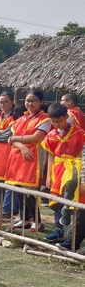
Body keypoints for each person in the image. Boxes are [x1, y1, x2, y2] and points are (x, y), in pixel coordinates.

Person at [5, 89, 51, 231]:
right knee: (18, 188)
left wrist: (16, 140)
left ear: (41, 102)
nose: (29, 103)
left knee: (30, 190)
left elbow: (36, 138)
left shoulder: (45, 119)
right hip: (18, 156)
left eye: (33, 101)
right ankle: (23, 219)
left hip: (33, 156)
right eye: (27, 100)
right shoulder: (21, 119)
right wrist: (21, 146)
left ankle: (37, 222)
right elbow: (9, 139)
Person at [41, 103, 85, 243]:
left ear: (66, 117)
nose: (56, 124)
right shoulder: (51, 135)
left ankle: (72, 232)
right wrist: (48, 175)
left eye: (59, 121)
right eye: (53, 122)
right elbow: (50, 155)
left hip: (74, 167)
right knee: (56, 201)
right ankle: (58, 230)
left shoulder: (78, 132)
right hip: (57, 169)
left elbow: (81, 153)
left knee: (72, 197)